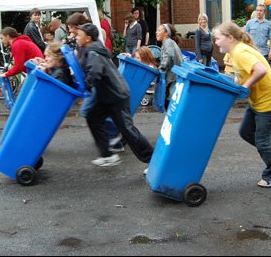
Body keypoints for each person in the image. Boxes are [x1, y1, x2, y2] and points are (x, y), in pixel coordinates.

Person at [214, 22, 271, 188]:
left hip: (269, 101)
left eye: (218, 38)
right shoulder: (236, 52)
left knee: (262, 141)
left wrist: (244, 87)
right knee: (246, 132)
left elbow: (261, 70)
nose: (216, 42)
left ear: (230, 38)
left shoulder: (240, 52)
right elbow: (241, 75)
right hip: (258, 101)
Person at [76, 23, 153, 169]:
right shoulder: (91, 49)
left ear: (88, 38)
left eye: (79, 35)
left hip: (116, 96)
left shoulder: (93, 52)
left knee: (128, 131)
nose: (76, 37)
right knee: (92, 117)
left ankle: (153, 160)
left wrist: (85, 86)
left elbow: (95, 73)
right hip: (106, 96)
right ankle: (107, 155)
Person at [66, 12, 124, 153]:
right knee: (98, 113)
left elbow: (93, 65)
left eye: (71, 28)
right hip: (96, 82)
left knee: (89, 111)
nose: (70, 31)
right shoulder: (81, 41)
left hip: (99, 82)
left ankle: (113, 139)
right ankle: (111, 139)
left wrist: (86, 82)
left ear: (78, 27)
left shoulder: (90, 43)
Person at [156, 23, 183, 110]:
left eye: (159, 30)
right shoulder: (168, 42)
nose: (157, 32)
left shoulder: (168, 42)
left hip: (173, 77)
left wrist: (160, 68)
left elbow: (168, 56)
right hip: (173, 76)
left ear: (166, 33)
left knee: (172, 104)